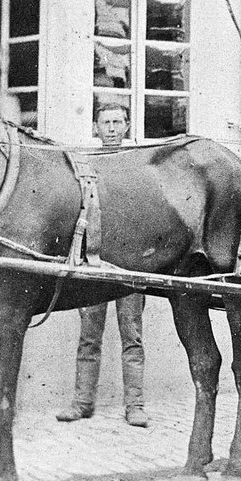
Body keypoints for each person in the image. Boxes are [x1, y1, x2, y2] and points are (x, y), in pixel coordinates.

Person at [56, 103, 149, 427]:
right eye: (105, 122)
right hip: (94, 263)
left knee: (132, 336)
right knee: (89, 336)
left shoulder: (136, 166)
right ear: (96, 127)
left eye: (117, 122)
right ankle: (82, 403)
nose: (111, 128)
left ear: (126, 126)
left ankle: (135, 406)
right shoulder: (87, 166)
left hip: (129, 265)